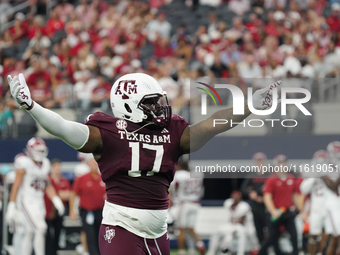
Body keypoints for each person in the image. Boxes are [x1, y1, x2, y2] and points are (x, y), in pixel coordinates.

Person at [7, 73, 280, 255]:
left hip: (158, 231)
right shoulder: (109, 133)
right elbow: (64, 128)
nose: (160, 107)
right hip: (122, 227)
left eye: (160, 101)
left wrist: (248, 107)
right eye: (151, 103)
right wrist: (32, 106)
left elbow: (210, 126)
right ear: (127, 105)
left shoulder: (172, 132)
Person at [5, 137, 65, 255]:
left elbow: (47, 184)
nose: (40, 153)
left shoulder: (46, 164)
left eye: (42, 151)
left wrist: (56, 200)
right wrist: (11, 206)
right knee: (41, 228)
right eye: (38, 150)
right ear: (30, 150)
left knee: (30, 232)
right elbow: (16, 186)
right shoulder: (24, 163)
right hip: (26, 200)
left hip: (38, 201)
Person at [257, 154, 304, 255]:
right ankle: (261, 253)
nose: (282, 165)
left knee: (294, 235)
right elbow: (267, 197)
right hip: (276, 211)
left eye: (284, 163)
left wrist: (302, 210)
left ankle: (295, 253)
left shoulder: (291, 178)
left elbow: (295, 197)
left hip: (288, 212)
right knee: (272, 236)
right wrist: (272, 210)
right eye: (280, 163)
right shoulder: (272, 179)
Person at [69, 156, 106, 255]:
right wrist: (72, 210)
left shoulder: (102, 178)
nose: (94, 165)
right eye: (92, 163)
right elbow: (73, 194)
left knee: (100, 235)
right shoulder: (82, 178)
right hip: (87, 211)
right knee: (89, 234)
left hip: (100, 211)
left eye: (96, 163)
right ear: (88, 165)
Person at [170, 159, 205, 255]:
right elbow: (201, 190)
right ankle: (198, 245)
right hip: (196, 203)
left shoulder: (180, 175)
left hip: (185, 203)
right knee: (190, 228)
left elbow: (173, 187)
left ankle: (181, 251)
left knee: (180, 228)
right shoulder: (198, 175)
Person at [206, 191, 258, 255]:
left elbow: (241, 221)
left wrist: (233, 229)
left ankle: (239, 253)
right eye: (233, 196)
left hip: (242, 226)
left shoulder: (244, 206)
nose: (235, 198)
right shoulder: (229, 203)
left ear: (240, 198)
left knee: (237, 234)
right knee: (217, 231)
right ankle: (211, 252)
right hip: (231, 225)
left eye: (236, 197)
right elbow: (229, 217)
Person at [240, 152, 268, 245]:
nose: (259, 164)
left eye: (261, 161)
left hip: (267, 206)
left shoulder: (268, 175)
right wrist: (251, 194)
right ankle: (261, 248)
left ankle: (268, 247)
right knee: (257, 229)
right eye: (258, 161)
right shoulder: (251, 176)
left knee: (269, 229)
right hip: (255, 207)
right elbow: (243, 189)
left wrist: (265, 197)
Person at [44, 158, 71, 255]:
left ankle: (54, 252)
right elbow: (51, 193)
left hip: (60, 211)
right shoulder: (47, 180)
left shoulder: (64, 181)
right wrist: (58, 195)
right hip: (46, 211)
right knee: (47, 235)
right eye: (55, 167)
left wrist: (56, 195)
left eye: (59, 166)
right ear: (50, 168)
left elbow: (68, 195)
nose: (57, 169)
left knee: (58, 234)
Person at [321, 141, 340, 255]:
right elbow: (332, 187)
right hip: (332, 205)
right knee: (336, 236)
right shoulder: (324, 167)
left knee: (335, 238)